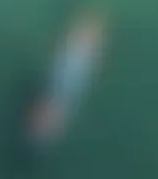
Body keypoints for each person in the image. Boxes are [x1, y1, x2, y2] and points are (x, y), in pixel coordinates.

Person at [26, 11, 106, 149]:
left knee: (67, 71)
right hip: (62, 89)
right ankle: (40, 131)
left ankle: (41, 131)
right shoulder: (68, 77)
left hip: (63, 89)